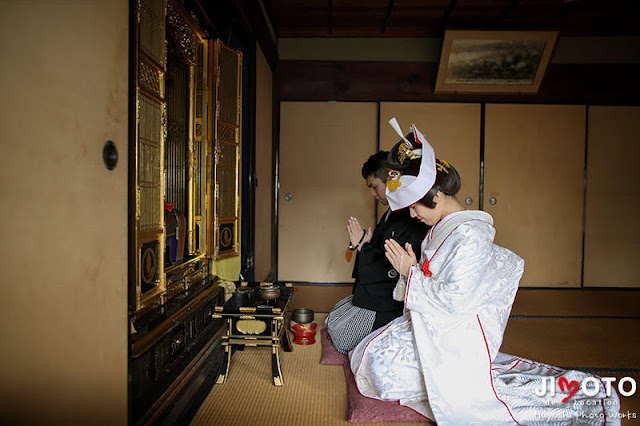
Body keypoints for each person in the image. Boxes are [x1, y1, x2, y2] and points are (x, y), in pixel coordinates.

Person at [349, 118, 620, 425]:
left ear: (435, 197)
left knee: (383, 368)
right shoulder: (442, 227)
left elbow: (456, 301)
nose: (413, 214)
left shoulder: (471, 236)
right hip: (435, 321)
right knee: (369, 354)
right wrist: (409, 272)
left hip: (457, 333)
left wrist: (410, 272)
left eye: (415, 207)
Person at [325, 150, 429, 355]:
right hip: (375, 291)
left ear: (391, 181)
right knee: (332, 317)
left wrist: (363, 246)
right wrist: (366, 244)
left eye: (374, 187)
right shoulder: (392, 212)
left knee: (342, 339)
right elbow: (380, 253)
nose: (372, 194)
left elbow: (387, 269)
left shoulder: (410, 217)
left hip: (388, 300)